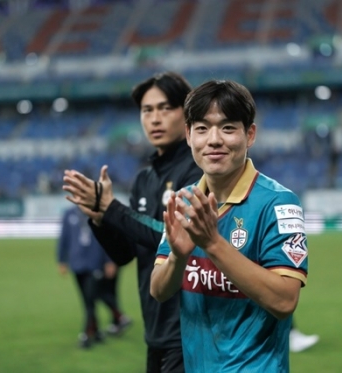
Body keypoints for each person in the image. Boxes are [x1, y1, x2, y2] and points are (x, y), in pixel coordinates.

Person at [150, 79, 309, 372]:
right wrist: (178, 256)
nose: (213, 140)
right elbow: (159, 290)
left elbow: (285, 301)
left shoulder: (279, 203)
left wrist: (212, 244)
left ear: (250, 135)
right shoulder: (184, 200)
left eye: (227, 128)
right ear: (188, 135)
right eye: (201, 128)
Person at [62, 72, 203, 372]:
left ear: (187, 113)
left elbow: (175, 238)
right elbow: (127, 254)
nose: (155, 118)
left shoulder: (199, 171)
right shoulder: (144, 178)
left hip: (192, 332)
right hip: (155, 329)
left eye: (165, 108)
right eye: (147, 110)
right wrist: (100, 219)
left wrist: (112, 209)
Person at [57, 206, 131, 349]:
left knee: (91, 299)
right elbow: (64, 237)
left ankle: (87, 334)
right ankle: (97, 331)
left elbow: (107, 238)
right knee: (86, 300)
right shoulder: (69, 214)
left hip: (95, 263)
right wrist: (61, 260)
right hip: (77, 264)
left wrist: (110, 260)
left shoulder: (98, 213)